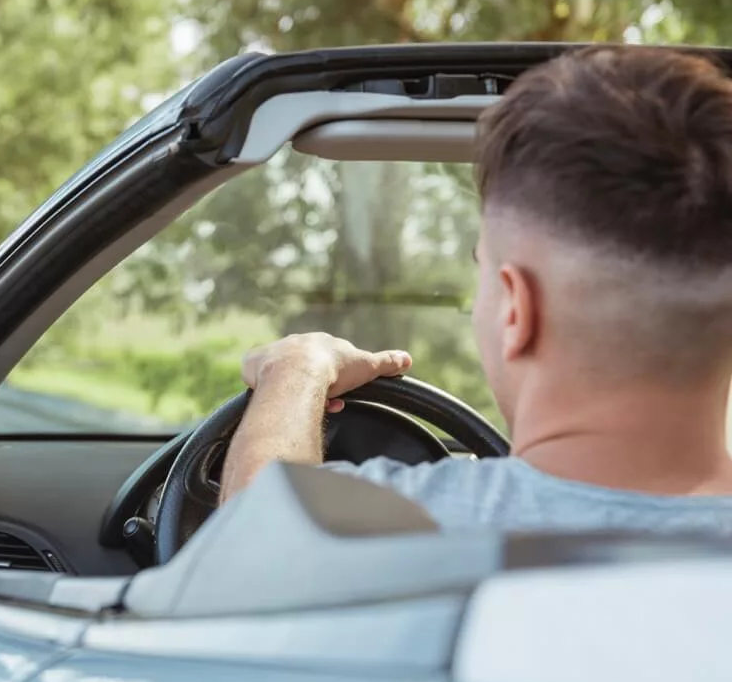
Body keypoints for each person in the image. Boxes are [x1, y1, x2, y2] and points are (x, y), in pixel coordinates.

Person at [220, 45, 732, 533]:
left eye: (481, 269)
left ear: (516, 309)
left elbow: (243, 540)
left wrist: (294, 369)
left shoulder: (386, 531)